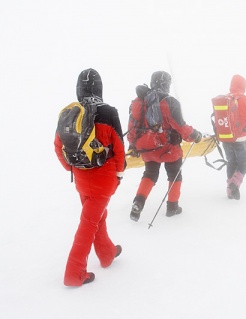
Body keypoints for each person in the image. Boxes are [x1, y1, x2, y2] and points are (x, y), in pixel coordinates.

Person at [54, 68, 125, 286]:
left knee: (96, 218)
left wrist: (72, 168)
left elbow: (58, 147)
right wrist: (119, 173)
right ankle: (74, 274)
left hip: (81, 180)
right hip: (104, 181)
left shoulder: (69, 113)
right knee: (88, 224)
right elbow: (120, 148)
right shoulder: (109, 112)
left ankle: (107, 254)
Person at [127, 71, 202, 222]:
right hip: (168, 148)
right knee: (174, 176)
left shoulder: (139, 101)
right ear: (166, 84)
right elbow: (180, 126)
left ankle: (138, 203)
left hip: (147, 147)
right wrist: (194, 135)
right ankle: (172, 207)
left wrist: (133, 145)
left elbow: (132, 126)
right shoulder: (170, 101)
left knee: (150, 174)